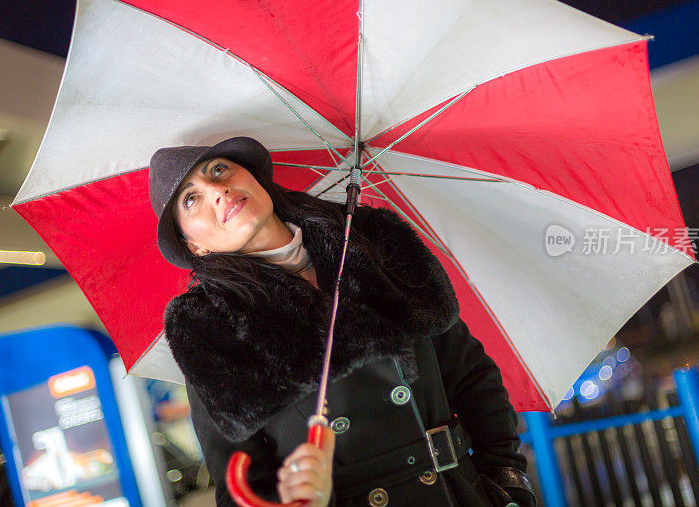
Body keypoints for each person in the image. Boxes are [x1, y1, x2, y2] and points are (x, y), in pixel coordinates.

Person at [148, 136, 536, 507]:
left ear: (254, 176)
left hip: (459, 494)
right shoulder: (206, 330)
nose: (218, 190)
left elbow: (472, 376)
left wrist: (506, 482)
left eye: (219, 169)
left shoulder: (374, 240)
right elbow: (242, 491)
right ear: (192, 245)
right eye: (192, 199)